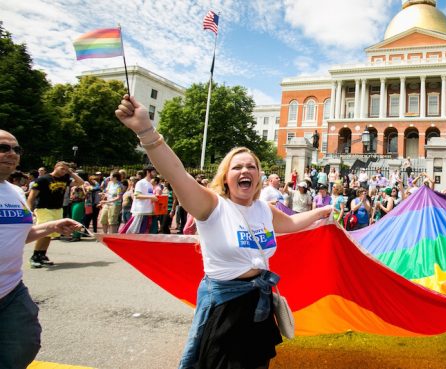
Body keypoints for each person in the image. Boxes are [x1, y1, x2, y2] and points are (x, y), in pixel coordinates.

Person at [115, 95, 332, 369]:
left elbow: (291, 224)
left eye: (251, 166)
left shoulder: (263, 209)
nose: (245, 170)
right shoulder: (212, 205)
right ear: (226, 177)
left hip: (259, 305)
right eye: (237, 166)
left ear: (259, 177)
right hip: (225, 307)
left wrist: (322, 213)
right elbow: (177, 174)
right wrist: (145, 131)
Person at [0, 130, 82, 368]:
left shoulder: (14, 191)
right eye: (3, 148)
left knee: (24, 343)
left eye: (16, 149)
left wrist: (51, 227)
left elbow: (19, 235)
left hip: (11, 289)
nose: (11, 154)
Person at [26, 160, 84, 268]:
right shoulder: (43, 179)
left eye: (66, 170)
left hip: (57, 208)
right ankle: (35, 256)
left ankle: (42, 255)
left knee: (51, 232)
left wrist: (71, 173)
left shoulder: (65, 178)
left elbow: (80, 182)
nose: (64, 171)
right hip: (44, 208)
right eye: (62, 168)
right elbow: (32, 196)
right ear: (55, 167)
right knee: (44, 232)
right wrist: (29, 210)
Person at [124, 166, 159, 234]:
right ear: (148, 172)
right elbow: (137, 195)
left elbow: (149, 195)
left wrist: (154, 198)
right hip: (141, 212)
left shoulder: (150, 184)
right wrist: (151, 197)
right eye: (153, 171)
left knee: (147, 232)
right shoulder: (141, 183)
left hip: (148, 211)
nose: (155, 173)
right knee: (137, 232)